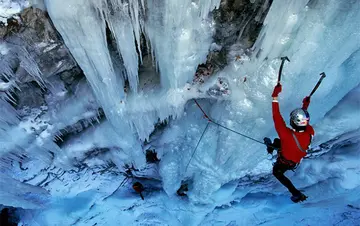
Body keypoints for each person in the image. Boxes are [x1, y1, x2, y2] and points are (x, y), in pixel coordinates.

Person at [265, 83, 314, 203]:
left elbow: (276, 115)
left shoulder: (286, 134)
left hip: (285, 158)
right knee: (278, 142)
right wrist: (304, 107)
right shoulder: (309, 132)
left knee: (276, 171)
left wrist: (275, 95)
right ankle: (271, 147)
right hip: (292, 160)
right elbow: (302, 122)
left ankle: (295, 192)